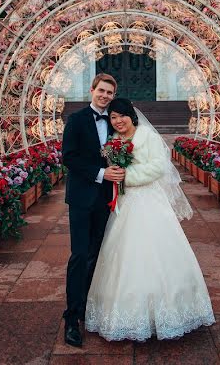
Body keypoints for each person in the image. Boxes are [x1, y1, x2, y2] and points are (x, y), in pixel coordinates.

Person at [85, 97, 215, 341]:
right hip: (124, 203)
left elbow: (158, 166)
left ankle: (167, 313)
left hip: (148, 200)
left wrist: (127, 176)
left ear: (131, 115)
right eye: (113, 117)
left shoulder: (147, 136)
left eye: (121, 115)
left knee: (155, 251)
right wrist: (114, 175)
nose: (118, 121)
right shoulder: (113, 141)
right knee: (122, 253)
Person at [61, 74, 127, 347]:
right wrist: (101, 173)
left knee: (97, 255)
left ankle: (89, 306)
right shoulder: (76, 120)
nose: (105, 96)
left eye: (109, 92)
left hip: (105, 200)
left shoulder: (116, 122)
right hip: (81, 198)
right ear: (92, 90)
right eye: (101, 90)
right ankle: (72, 317)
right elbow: (69, 157)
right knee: (79, 255)